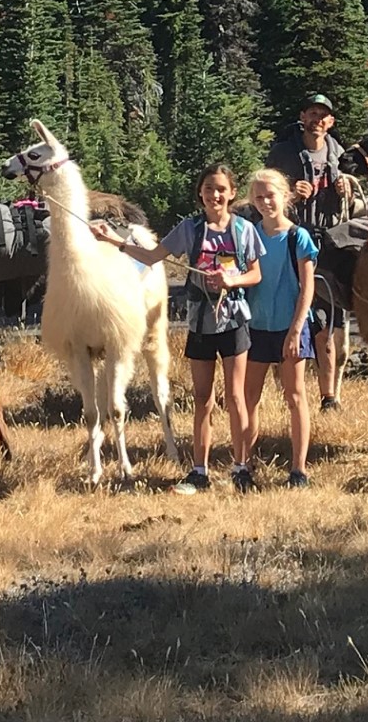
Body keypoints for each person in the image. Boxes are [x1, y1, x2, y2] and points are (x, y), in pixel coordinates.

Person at [113, 164, 263, 494]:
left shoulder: (244, 230)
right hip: (201, 323)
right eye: (208, 188)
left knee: (235, 397)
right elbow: (152, 257)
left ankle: (241, 468)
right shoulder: (189, 229)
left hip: (234, 321)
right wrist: (116, 243)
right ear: (200, 193)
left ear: (232, 193)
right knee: (202, 398)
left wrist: (233, 280)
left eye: (221, 189)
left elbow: (256, 274)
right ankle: (199, 471)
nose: (215, 195)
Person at [264, 93, 355, 412]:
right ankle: (287, 390)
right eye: (312, 113)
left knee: (328, 322)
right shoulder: (282, 153)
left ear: (331, 122)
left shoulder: (339, 152)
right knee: (288, 314)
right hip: (290, 242)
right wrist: (290, 194)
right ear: (302, 117)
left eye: (323, 115)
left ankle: (329, 397)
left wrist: (346, 190)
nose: (317, 119)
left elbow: (353, 201)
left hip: (328, 245)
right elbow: (264, 195)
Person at [239, 168, 319, 486]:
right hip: (256, 326)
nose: (265, 202)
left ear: (285, 196)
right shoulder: (248, 234)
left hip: (290, 326)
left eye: (270, 195)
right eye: (258, 197)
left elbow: (307, 288)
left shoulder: (299, 237)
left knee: (295, 395)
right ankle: (244, 466)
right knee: (248, 397)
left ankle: (298, 470)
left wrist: (296, 330)